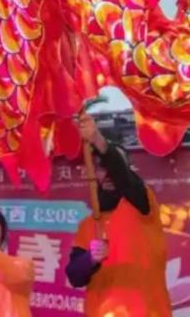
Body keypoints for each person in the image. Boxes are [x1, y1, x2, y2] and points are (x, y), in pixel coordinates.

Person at [65, 114, 171, 317]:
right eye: (102, 168)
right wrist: (90, 259)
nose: (109, 174)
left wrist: (98, 140)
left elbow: (123, 177)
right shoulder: (88, 224)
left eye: (113, 166)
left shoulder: (141, 205)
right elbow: (75, 277)